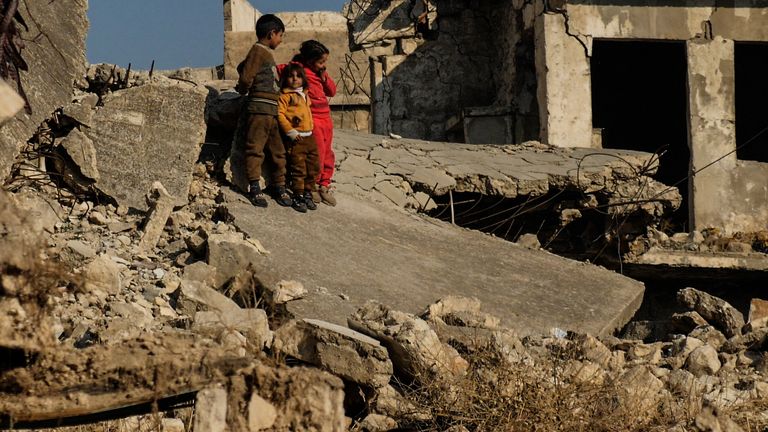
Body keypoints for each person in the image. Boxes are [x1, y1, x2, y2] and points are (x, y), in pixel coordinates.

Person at [235, 14, 292, 208]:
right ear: (271, 34)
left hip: (271, 111)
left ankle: (279, 185)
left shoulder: (264, 53)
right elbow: (246, 77)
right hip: (259, 109)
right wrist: (242, 90)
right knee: (255, 148)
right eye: (280, 35)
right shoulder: (258, 51)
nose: (281, 40)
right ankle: (254, 187)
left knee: (278, 151)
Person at [280, 40, 338, 206]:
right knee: (316, 154)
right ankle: (311, 186)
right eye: (320, 62)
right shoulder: (300, 72)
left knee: (328, 153)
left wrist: (323, 76)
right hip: (313, 119)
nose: (323, 65)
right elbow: (282, 69)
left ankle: (324, 185)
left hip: (326, 118)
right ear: (310, 61)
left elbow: (332, 91)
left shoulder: (320, 74)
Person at [277, 63, 320, 213]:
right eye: (291, 76)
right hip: (297, 139)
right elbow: (280, 115)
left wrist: (312, 127)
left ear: (303, 78)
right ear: (285, 79)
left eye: (298, 76)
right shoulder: (285, 96)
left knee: (313, 167)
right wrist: (291, 132)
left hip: (310, 137)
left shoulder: (305, 94)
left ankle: (308, 192)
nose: (295, 79)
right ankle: (298, 195)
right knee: (299, 168)